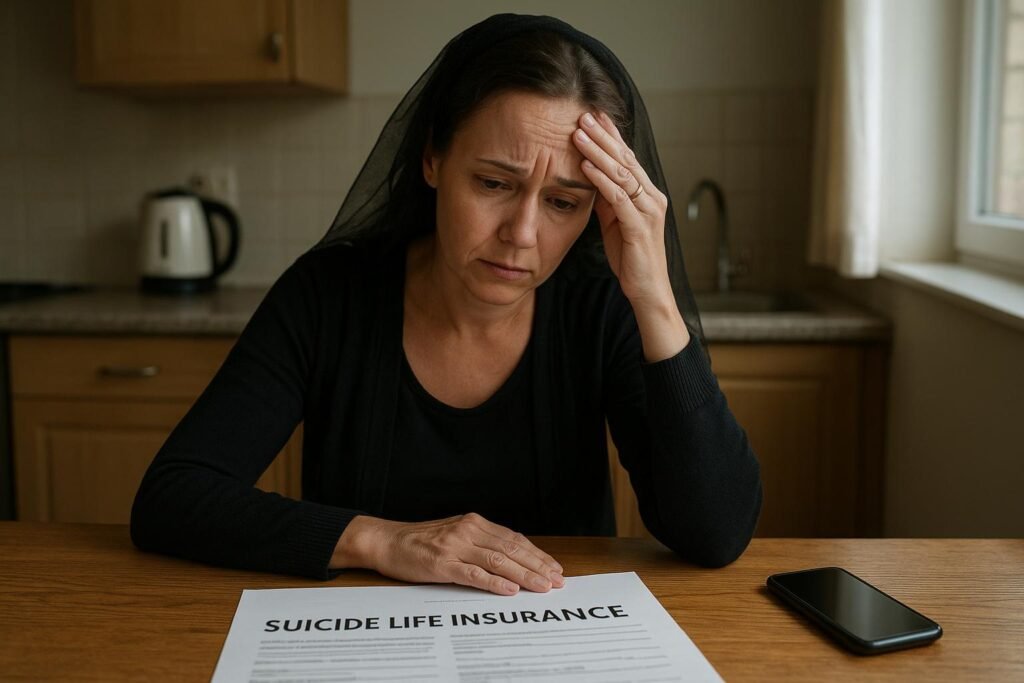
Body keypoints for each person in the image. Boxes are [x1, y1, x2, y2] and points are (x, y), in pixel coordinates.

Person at [131, 13, 762, 596]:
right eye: (493, 183)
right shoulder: (327, 295)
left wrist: (655, 299)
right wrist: (381, 540)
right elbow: (172, 496)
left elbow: (717, 533)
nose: (522, 233)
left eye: (563, 203)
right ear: (432, 157)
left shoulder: (601, 307)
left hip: (554, 645)